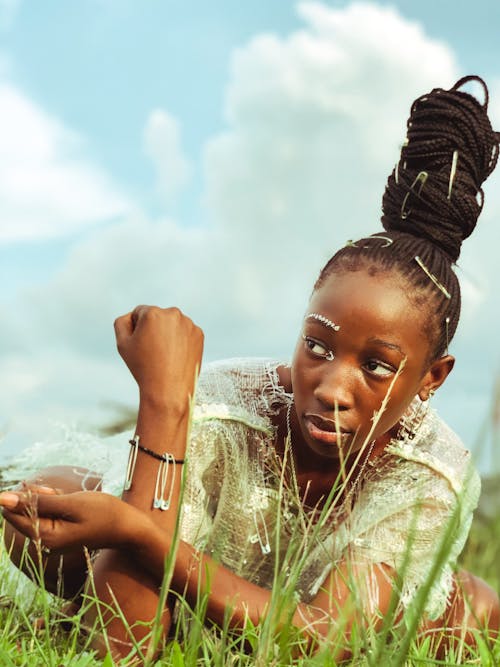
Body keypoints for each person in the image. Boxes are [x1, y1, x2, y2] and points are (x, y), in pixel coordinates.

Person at [1, 76, 499, 662]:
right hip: (192, 574)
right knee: (50, 498)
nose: (332, 388)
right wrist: (165, 401)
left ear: (432, 379)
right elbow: (118, 651)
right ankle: (163, 617)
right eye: (317, 346)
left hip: (287, 597)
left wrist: (137, 533)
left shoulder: (430, 474)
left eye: (376, 366)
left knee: (475, 613)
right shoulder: (225, 410)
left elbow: (322, 641)